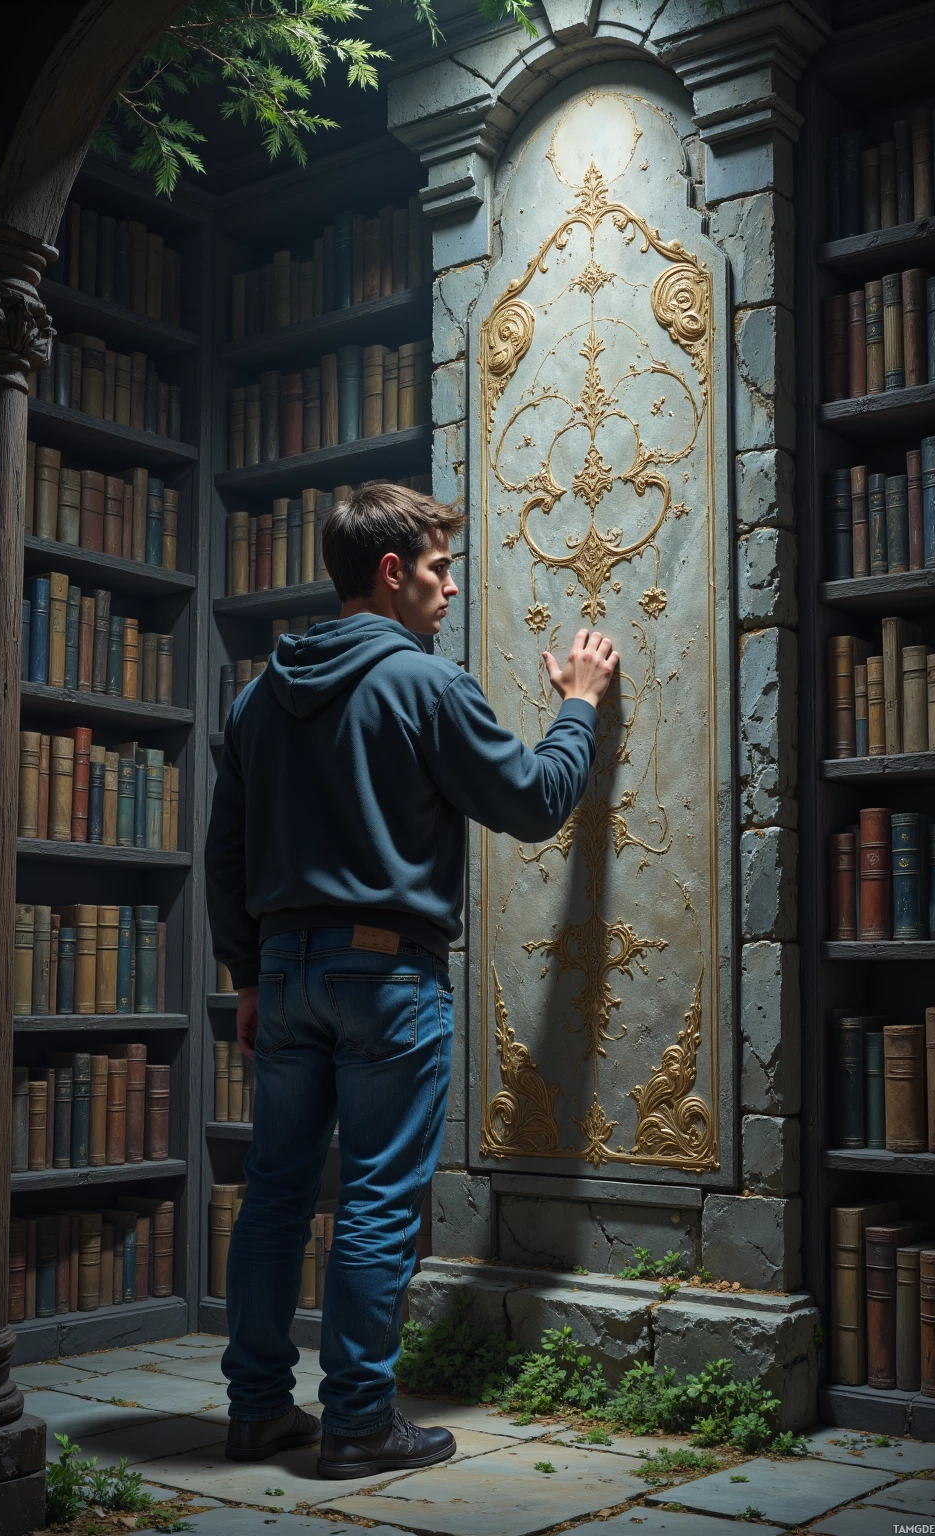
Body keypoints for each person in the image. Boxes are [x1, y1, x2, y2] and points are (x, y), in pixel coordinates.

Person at [204, 482, 618, 1478]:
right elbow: (530, 803)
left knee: (273, 1196)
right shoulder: (426, 685)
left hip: (289, 979)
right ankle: (356, 1423)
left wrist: (250, 977)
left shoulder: (256, 700)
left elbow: (225, 854)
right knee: (381, 1201)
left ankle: (258, 1411)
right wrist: (578, 704)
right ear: (390, 573)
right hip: (387, 981)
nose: (448, 586)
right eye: (438, 567)